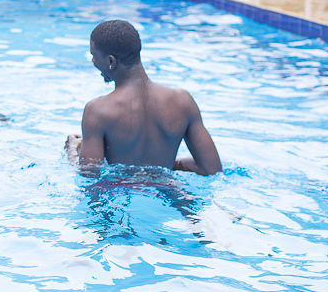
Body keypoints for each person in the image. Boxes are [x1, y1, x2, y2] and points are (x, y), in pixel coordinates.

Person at [65, 19, 222, 176]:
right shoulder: (183, 101)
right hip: (169, 188)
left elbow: (89, 176)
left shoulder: (98, 110)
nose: (93, 61)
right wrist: (159, 167)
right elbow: (211, 169)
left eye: (94, 56)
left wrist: (72, 151)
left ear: (111, 61)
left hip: (120, 191)